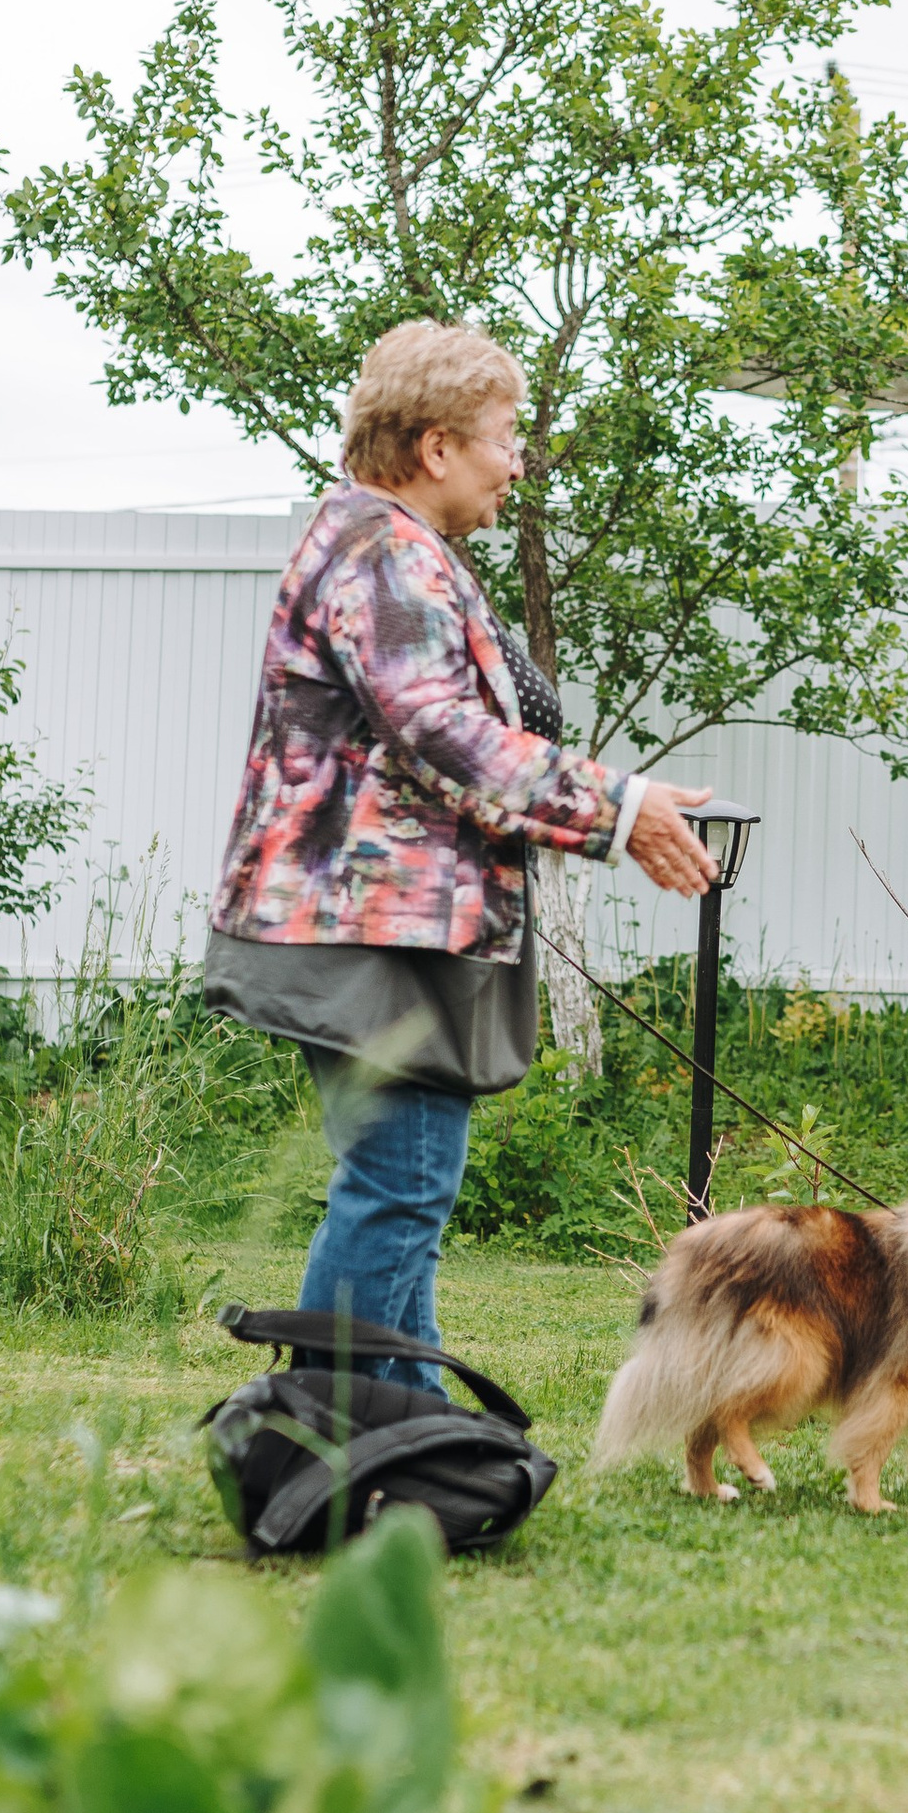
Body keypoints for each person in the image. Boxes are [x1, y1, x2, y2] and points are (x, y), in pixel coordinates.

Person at [203, 321, 714, 1387]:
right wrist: (621, 808)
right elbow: (441, 731)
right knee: (400, 1183)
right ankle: (324, 1436)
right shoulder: (383, 552)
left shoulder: (388, 546)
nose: (518, 460)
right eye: (505, 435)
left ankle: (409, 1429)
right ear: (436, 447)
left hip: (372, 924)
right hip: (370, 931)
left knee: (405, 1186)